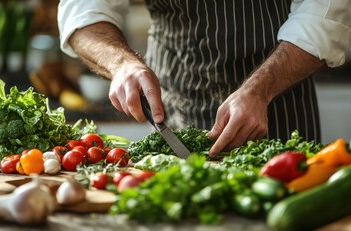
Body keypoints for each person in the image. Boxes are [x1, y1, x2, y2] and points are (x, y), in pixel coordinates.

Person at [57, 0, 350, 157]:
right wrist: (121, 64)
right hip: (172, 99)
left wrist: (260, 90)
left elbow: (325, 11)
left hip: (278, 104)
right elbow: (84, 9)